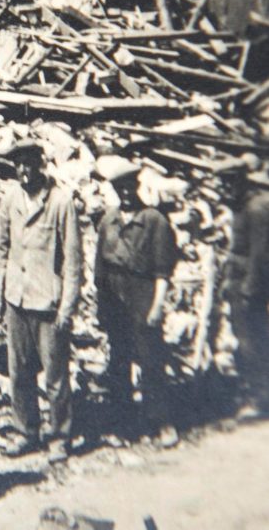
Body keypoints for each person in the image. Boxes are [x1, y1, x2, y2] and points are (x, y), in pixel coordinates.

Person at [0, 140, 83, 457]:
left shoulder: (60, 202)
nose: (23, 171)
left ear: (40, 164)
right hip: (17, 299)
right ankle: (26, 431)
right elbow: (1, 249)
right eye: (18, 165)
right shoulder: (11, 199)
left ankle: (59, 436)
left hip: (48, 303)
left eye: (29, 164)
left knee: (55, 376)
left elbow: (73, 261)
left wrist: (68, 307)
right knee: (19, 373)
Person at [94, 162, 178, 443]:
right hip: (114, 297)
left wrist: (157, 306)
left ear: (138, 185)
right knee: (119, 361)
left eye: (129, 187)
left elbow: (163, 270)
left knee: (151, 359)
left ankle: (162, 421)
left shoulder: (154, 220)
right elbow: (99, 271)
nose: (126, 193)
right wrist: (102, 306)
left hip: (143, 295)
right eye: (120, 189)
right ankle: (124, 424)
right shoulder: (109, 221)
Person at [222, 164, 269, 418]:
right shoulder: (247, 206)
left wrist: (250, 288)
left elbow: (259, 254)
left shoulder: (256, 208)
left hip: (248, 285)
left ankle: (261, 398)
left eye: (229, 183)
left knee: (251, 339)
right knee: (248, 338)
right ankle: (256, 393)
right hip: (238, 281)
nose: (225, 189)